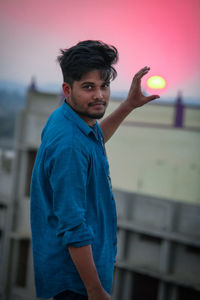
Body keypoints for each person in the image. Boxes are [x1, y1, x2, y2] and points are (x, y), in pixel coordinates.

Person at [30, 40, 160, 300]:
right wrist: (94, 290)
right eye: (89, 87)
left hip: (76, 280)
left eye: (104, 86)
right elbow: (73, 225)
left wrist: (128, 106)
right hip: (74, 285)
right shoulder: (68, 145)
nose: (100, 95)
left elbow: (94, 139)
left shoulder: (69, 119)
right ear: (68, 89)